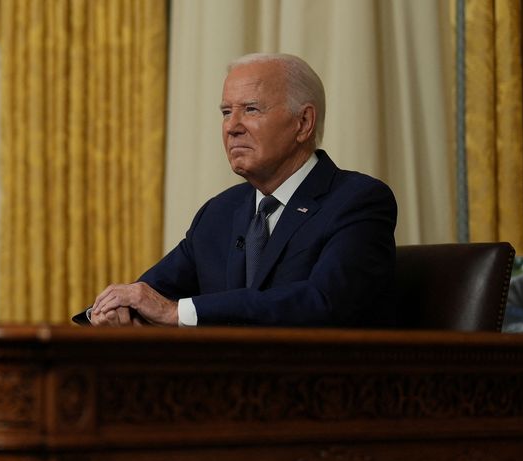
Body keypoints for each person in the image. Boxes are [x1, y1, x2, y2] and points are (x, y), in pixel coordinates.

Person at [79, 53, 397, 327]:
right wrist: (113, 310)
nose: (232, 126)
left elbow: (323, 302)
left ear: (303, 123)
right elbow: (151, 294)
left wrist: (177, 312)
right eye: (226, 112)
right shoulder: (219, 213)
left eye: (251, 110)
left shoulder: (358, 201)